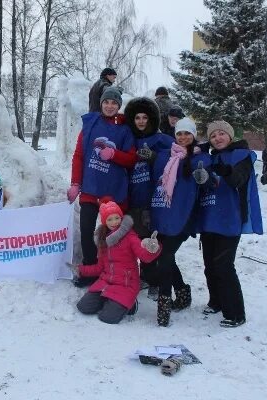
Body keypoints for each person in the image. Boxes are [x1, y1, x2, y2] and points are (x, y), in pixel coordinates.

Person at [68, 87, 137, 287]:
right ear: (101, 103)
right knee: (87, 231)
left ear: (118, 106)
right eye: (107, 102)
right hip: (90, 187)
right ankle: (91, 270)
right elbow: (79, 155)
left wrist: (115, 155)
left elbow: (132, 159)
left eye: (114, 103)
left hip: (112, 190)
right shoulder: (90, 124)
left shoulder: (125, 129)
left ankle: (114, 271)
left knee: (112, 235)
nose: (110, 106)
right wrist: (75, 183)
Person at [199, 120, 263, 328]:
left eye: (221, 134)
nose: (217, 138)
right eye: (213, 136)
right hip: (210, 217)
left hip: (230, 219)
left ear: (230, 135)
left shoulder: (242, 156)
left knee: (224, 265)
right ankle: (216, 301)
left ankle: (236, 313)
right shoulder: (210, 158)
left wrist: (226, 172)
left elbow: (238, 180)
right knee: (209, 265)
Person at [150, 117, 211, 327]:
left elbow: (207, 183)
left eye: (187, 133)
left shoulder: (199, 158)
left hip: (185, 216)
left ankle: (164, 308)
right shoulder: (167, 156)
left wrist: (205, 178)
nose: (183, 137)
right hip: (165, 213)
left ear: (194, 135)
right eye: (179, 133)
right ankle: (183, 291)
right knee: (165, 256)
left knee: (165, 256)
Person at [71, 202, 161, 324]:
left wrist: (153, 249)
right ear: (104, 221)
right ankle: (110, 300)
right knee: (84, 307)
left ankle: (131, 304)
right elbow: (99, 268)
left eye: (117, 218)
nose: (114, 222)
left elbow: (144, 256)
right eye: (110, 219)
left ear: (121, 218)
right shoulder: (103, 240)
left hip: (126, 284)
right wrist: (81, 270)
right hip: (106, 282)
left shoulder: (130, 237)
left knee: (107, 317)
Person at [124, 97, 175, 301]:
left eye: (145, 117)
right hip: (132, 199)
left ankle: (157, 281)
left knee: (153, 242)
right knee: (138, 241)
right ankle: (146, 275)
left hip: (152, 201)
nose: (141, 121)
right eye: (137, 117)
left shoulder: (161, 139)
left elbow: (176, 157)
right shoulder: (129, 139)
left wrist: (154, 157)